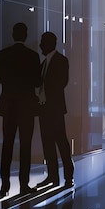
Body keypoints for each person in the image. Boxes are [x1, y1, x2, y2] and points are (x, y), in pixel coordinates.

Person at [0, 22, 41, 197]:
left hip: (9, 105)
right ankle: (24, 184)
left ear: (13, 35)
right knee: (25, 145)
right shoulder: (33, 56)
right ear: (25, 35)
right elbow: (37, 82)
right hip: (27, 106)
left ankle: (4, 185)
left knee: (7, 144)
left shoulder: (3, 54)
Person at [36, 31, 75, 189]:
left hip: (55, 109)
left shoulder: (61, 60)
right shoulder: (44, 63)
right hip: (44, 108)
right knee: (47, 143)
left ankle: (68, 177)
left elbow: (62, 82)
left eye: (42, 42)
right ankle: (53, 176)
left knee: (61, 142)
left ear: (49, 43)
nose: (40, 45)